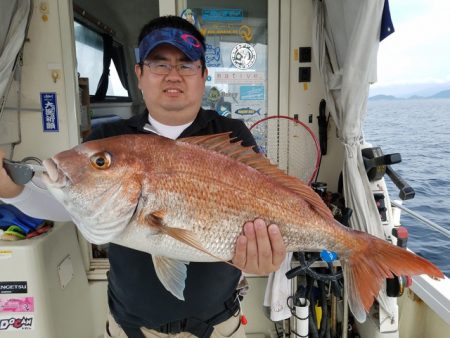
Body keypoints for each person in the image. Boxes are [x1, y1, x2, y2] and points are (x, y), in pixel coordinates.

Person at [0, 15, 286, 338]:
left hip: (219, 327)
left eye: (186, 64)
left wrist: (261, 262)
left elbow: (268, 214)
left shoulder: (232, 135)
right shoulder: (111, 136)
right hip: (130, 328)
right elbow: (68, 202)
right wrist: (13, 190)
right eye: (159, 64)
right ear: (139, 74)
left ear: (204, 75)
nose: (173, 75)